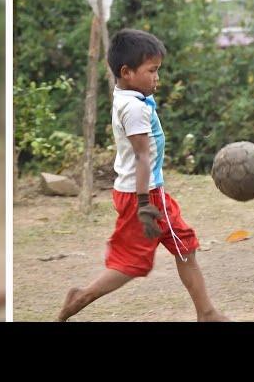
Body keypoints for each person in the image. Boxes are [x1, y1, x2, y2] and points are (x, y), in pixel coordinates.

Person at [57, 29, 229, 322]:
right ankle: (81, 298)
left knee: (184, 245)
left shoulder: (129, 96)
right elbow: (141, 155)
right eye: (152, 71)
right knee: (131, 264)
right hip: (144, 195)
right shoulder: (134, 108)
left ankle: (207, 313)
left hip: (149, 191)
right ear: (127, 72)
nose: (157, 78)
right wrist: (143, 204)